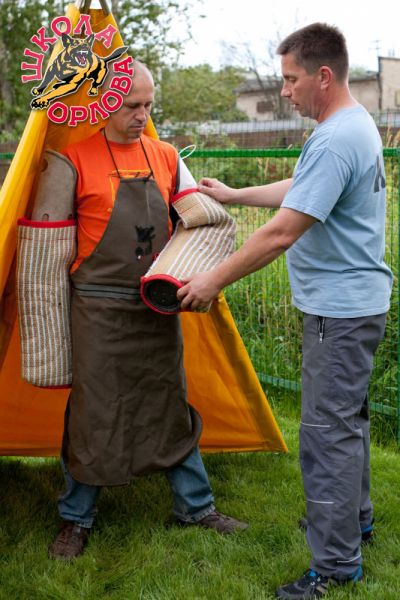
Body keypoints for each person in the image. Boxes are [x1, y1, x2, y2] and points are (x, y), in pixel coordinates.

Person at [177, 23, 392, 599]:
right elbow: (304, 187)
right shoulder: (352, 125)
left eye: (291, 79)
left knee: (325, 437)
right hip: (357, 304)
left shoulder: (336, 137)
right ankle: (354, 523)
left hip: (337, 313)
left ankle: (336, 564)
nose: (285, 90)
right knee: (347, 425)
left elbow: (280, 233)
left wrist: (211, 280)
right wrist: (234, 195)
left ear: (323, 76)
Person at [48, 61, 247, 561]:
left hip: (156, 307)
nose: (142, 115)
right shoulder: (72, 161)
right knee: (94, 411)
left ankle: (196, 508)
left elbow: (198, 222)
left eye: (149, 105)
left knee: (168, 402)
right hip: (96, 310)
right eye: (132, 106)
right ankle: (76, 518)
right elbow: (48, 251)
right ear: (105, 104)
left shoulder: (166, 157)